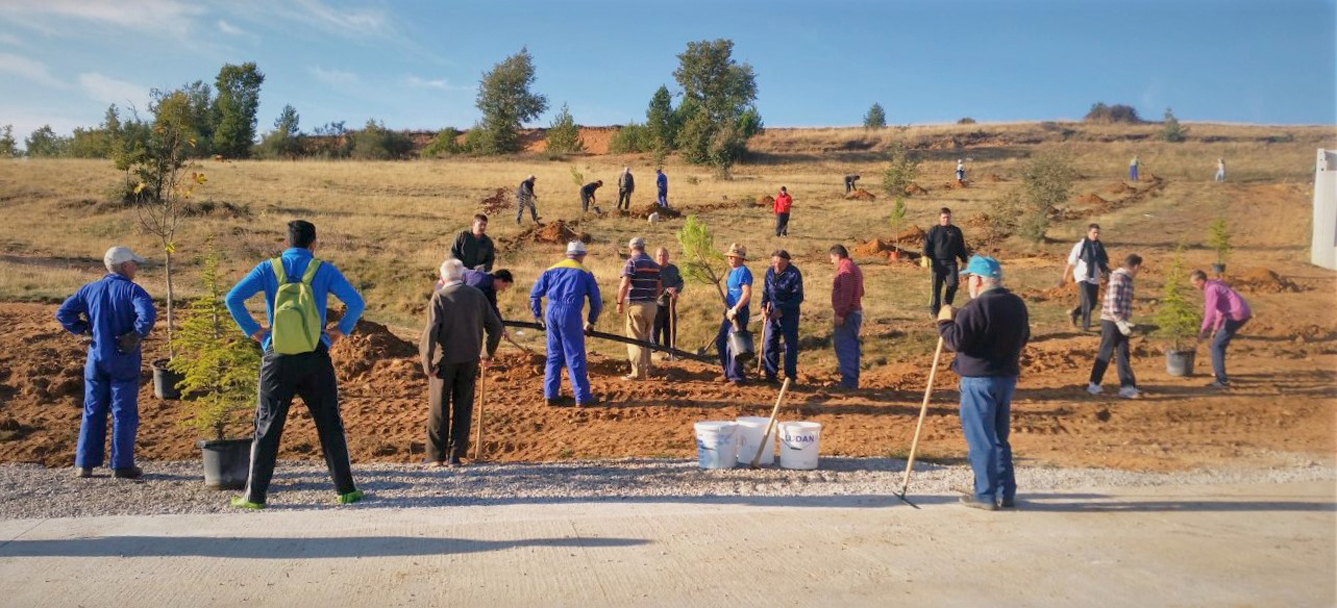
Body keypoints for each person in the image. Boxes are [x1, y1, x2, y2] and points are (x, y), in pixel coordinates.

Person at [225, 220, 366, 509]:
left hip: (277, 357)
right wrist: (338, 333)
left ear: (286, 244)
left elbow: (232, 299)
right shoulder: (323, 269)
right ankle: (346, 490)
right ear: (313, 243)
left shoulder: (268, 268)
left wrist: (255, 332)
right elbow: (356, 302)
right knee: (329, 423)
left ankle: (255, 496)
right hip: (315, 355)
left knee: (267, 425)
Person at [937, 255, 1030, 511]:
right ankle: (1005, 492)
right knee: (1000, 438)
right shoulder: (1016, 304)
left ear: (977, 280)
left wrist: (944, 322)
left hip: (978, 381)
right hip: (1006, 378)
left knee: (981, 440)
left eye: (969, 278)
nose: (967, 283)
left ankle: (986, 495)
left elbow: (956, 341)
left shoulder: (975, 308)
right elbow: (1023, 338)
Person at [56, 246, 156, 479]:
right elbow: (148, 316)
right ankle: (121, 465)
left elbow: (63, 313)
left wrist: (83, 329)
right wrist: (135, 335)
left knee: (92, 409)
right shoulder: (133, 291)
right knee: (123, 411)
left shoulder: (90, 289)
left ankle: (84, 464)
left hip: (96, 357)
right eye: (133, 263)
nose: (136, 267)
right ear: (124, 266)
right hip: (123, 358)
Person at [420, 259, 503, 467]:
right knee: (463, 406)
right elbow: (495, 328)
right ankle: (456, 455)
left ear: (442, 278)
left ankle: (436, 456)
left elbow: (430, 332)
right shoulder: (477, 295)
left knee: (439, 407)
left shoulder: (439, 297)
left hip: (444, 360)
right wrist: (486, 353)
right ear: (463, 276)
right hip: (469, 359)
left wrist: (427, 362)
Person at [530, 241, 602, 406]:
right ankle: (582, 397)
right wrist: (590, 321)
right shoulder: (585, 273)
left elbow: (534, 294)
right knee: (575, 354)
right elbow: (596, 303)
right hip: (569, 313)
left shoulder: (551, 269)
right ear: (582, 255)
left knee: (554, 355)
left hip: (551, 311)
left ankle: (550, 395)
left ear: (568, 254)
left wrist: (537, 315)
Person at [1087, 254, 1143, 399]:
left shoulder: (1125, 279)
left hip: (1120, 321)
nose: (1139, 271)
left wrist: (1124, 321)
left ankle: (1127, 386)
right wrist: (1119, 321)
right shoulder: (1119, 278)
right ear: (1135, 266)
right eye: (1139, 268)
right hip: (1111, 321)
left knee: (1123, 352)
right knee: (1106, 351)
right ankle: (1094, 384)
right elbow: (1113, 303)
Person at [1192, 270, 1252, 388]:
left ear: (1200, 281)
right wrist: (1215, 329)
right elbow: (1219, 310)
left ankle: (1221, 380)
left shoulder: (1211, 289)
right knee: (1219, 343)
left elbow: (1210, 313)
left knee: (1216, 346)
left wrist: (1203, 331)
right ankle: (1218, 371)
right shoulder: (1215, 284)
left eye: (1194, 284)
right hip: (1241, 312)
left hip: (1236, 315)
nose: (1194, 287)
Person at [617, 237, 662, 380]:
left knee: (635, 339)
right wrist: (654, 300)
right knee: (646, 338)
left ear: (631, 249)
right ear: (644, 247)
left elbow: (624, 284)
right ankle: (648, 369)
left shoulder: (631, 263)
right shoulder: (654, 265)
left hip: (637, 305)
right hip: (652, 306)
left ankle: (637, 373)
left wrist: (619, 302)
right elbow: (659, 285)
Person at [761, 249, 804, 384]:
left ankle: (789, 377)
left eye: (780, 263)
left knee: (789, 345)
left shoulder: (794, 273)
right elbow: (765, 292)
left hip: (789, 314)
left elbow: (798, 297)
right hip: (772, 312)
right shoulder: (769, 272)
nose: (777, 266)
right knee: (769, 343)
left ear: (787, 262)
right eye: (774, 262)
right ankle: (770, 375)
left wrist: (782, 309)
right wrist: (763, 308)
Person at [715, 244, 753, 384]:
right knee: (720, 341)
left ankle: (736, 377)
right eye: (730, 256)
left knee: (734, 344)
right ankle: (727, 372)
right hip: (729, 312)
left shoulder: (743, 272)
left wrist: (736, 309)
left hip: (739, 312)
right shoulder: (732, 272)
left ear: (741, 258)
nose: (731, 259)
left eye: (734, 256)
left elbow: (747, 293)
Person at [1060, 223, 1109, 331]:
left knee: (1092, 304)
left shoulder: (1099, 247)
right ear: (1089, 233)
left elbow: (1103, 263)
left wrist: (1106, 276)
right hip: (1082, 276)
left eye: (1097, 233)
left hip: (1094, 278)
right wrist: (1064, 278)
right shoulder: (1080, 245)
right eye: (1094, 232)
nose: (1096, 235)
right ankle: (1085, 327)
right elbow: (1071, 262)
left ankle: (1074, 313)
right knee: (1086, 301)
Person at [924, 207, 970, 318]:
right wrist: (924, 257)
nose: (946, 219)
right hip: (937, 263)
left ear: (950, 217)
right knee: (936, 288)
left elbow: (960, 247)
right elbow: (927, 244)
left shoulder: (956, 231)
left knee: (953, 284)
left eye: (948, 217)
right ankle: (934, 312)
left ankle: (946, 305)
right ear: (940, 218)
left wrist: (964, 261)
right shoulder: (934, 230)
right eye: (944, 217)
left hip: (951, 263)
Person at [829, 245, 864, 389]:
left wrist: (841, 313)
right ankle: (851, 379)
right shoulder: (854, 267)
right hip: (854, 312)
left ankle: (849, 381)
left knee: (845, 346)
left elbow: (847, 293)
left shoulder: (845, 269)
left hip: (848, 314)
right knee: (851, 345)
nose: (832, 262)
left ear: (837, 256)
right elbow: (861, 291)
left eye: (832, 259)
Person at [652, 247, 684, 353]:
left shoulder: (673, 269)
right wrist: (667, 291)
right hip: (657, 304)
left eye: (664, 255)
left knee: (670, 328)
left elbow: (680, 281)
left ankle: (669, 350)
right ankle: (653, 351)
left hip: (671, 304)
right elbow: (653, 286)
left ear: (668, 256)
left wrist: (675, 289)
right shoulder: (654, 269)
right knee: (655, 328)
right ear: (656, 257)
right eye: (659, 255)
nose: (662, 257)